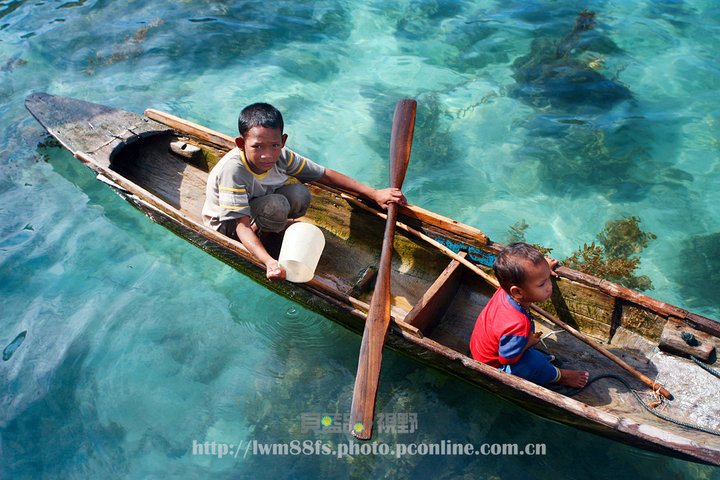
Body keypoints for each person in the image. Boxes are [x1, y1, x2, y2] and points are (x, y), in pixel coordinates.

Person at [202, 102, 405, 281]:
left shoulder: (281, 156)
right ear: (241, 144)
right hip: (227, 224)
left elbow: (324, 175)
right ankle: (268, 233)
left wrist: (374, 193)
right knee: (277, 205)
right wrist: (270, 262)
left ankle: (272, 227)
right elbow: (242, 226)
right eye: (257, 146)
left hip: (261, 205)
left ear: (283, 141)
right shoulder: (234, 170)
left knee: (300, 194)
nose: (267, 155)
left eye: (274, 145)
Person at [469, 242, 589, 388]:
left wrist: (544, 270)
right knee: (533, 362)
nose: (549, 286)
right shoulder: (518, 324)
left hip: (481, 347)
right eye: (542, 284)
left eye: (547, 279)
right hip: (494, 365)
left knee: (530, 352)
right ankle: (560, 377)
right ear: (517, 292)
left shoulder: (504, 290)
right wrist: (529, 343)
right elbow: (506, 358)